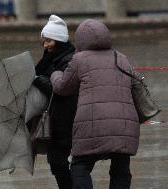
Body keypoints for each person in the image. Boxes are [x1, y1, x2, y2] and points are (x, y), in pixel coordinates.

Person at [50, 19, 140, 189]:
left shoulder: (79, 59)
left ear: (81, 39)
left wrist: (55, 74)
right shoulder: (121, 58)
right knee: (120, 169)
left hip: (92, 125)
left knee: (79, 167)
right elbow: (135, 87)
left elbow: (63, 88)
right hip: (124, 125)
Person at [33, 15, 77, 189]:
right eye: (44, 41)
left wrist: (36, 79)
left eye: (49, 41)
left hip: (67, 119)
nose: (45, 45)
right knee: (57, 163)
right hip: (56, 118)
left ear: (59, 40)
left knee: (59, 162)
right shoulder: (50, 58)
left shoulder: (69, 60)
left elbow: (59, 88)